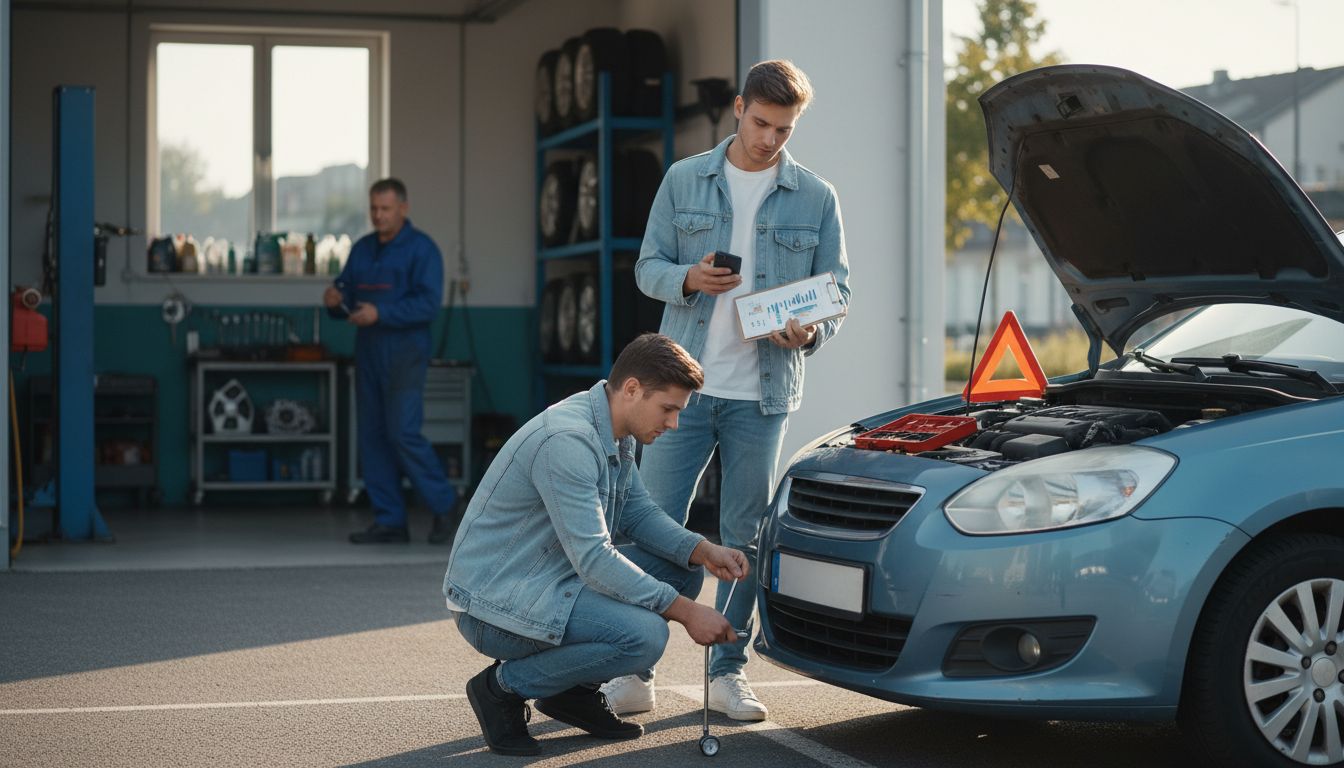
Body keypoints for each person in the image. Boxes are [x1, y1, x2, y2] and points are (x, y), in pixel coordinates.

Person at [613, 59, 851, 721]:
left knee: (744, 538)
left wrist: (805, 336)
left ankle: (728, 672)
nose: (771, 138)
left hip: (762, 395)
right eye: (762, 122)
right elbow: (645, 268)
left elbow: (838, 293)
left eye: (785, 128)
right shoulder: (684, 178)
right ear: (739, 108)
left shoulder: (816, 196)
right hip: (678, 393)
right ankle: (635, 668)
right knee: (655, 530)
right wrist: (687, 278)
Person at [443, 333, 748, 756]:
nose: (674, 423)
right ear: (632, 389)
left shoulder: (614, 428)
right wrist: (685, 611)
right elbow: (593, 558)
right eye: (668, 409)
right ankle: (501, 689)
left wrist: (702, 548)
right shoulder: (567, 441)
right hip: (493, 606)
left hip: (548, 579)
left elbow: (637, 515)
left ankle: (572, 691)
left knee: (682, 568)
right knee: (645, 636)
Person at [323, 178, 459, 545]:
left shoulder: (421, 249)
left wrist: (380, 313)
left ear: (403, 208)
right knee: (372, 435)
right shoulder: (363, 249)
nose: (378, 216)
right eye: (373, 209)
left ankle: (446, 505)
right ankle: (390, 521)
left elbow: (428, 305)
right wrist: (335, 300)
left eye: (385, 209)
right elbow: (347, 291)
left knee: (402, 431)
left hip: (405, 350)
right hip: (368, 349)